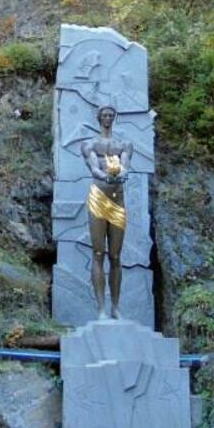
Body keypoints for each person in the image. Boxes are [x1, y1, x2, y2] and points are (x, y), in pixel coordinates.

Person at [81, 104, 133, 319]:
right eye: (104, 115)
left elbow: (126, 165)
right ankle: (101, 308)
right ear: (98, 118)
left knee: (116, 255)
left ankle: (115, 307)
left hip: (117, 197)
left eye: (111, 115)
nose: (108, 118)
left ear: (115, 118)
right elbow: (93, 166)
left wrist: (122, 173)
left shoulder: (125, 144)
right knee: (98, 252)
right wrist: (105, 176)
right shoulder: (90, 143)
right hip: (99, 196)